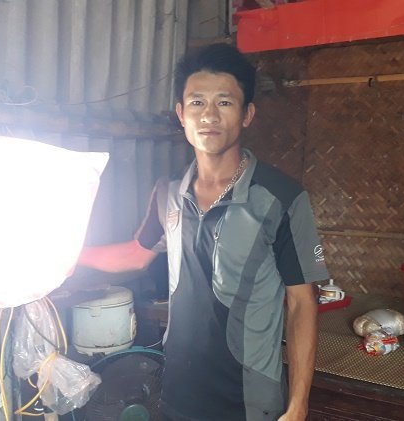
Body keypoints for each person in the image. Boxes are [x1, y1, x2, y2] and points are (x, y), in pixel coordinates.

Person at [78, 43, 330, 421]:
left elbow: (301, 303)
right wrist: (69, 257)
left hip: (249, 401)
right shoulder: (168, 192)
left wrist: (298, 405)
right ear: (181, 114)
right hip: (177, 393)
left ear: (247, 114)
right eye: (197, 102)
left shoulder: (282, 198)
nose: (209, 115)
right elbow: (136, 254)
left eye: (224, 102)